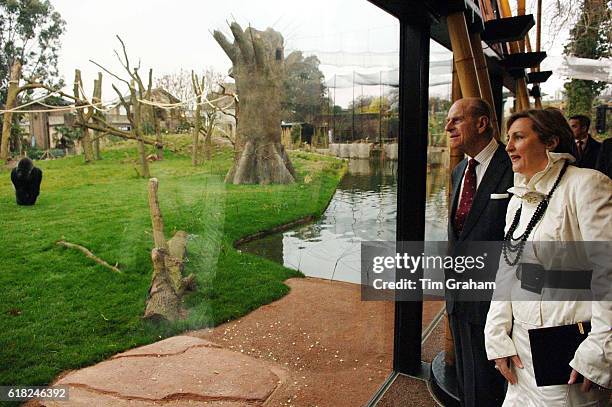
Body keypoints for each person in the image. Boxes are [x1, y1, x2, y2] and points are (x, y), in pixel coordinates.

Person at [484, 108, 611, 406]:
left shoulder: (586, 184)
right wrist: (497, 334)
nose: (509, 147)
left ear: (550, 142)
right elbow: (507, 269)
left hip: (566, 351)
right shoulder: (518, 198)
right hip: (520, 350)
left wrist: (598, 350)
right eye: (508, 138)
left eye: (518, 137)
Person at [445, 97, 513, 407]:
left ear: (482, 123)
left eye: (456, 120)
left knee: (496, 387)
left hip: (497, 305)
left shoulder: (513, 167)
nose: (448, 127)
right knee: (468, 383)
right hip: (459, 299)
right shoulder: (460, 170)